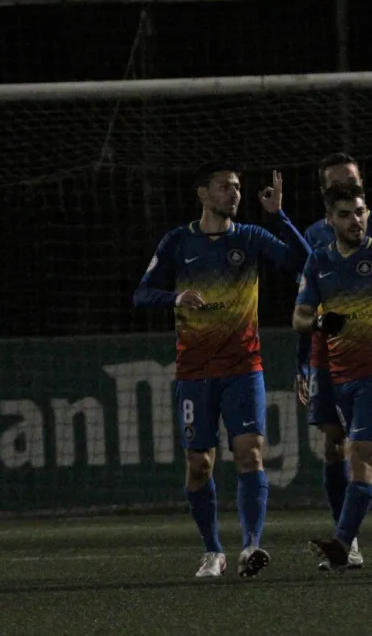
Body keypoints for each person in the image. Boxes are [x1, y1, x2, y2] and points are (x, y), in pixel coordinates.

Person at [134, 165, 310, 578]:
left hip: (243, 366)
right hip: (195, 369)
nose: (233, 194)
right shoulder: (178, 241)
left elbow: (305, 261)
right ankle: (213, 551)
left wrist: (278, 216)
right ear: (202, 193)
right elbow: (142, 294)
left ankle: (251, 546)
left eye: (237, 188)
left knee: (250, 453)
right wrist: (176, 296)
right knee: (200, 463)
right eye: (224, 187)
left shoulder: (249, 236)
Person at [293, 182, 372, 569]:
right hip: (340, 373)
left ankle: (342, 544)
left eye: (362, 211)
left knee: (361, 455)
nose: (357, 220)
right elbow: (298, 317)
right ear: (330, 218)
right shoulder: (318, 260)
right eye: (346, 214)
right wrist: (317, 321)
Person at [296, 153, 372, 570]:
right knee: (334, 446)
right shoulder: (316, 242)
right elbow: (303, 309)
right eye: (336, 187)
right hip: (326, 357)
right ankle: (348, 541)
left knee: (369, 452)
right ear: (326, 202)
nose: (354, 216)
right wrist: (304, 364)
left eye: (351, 182)